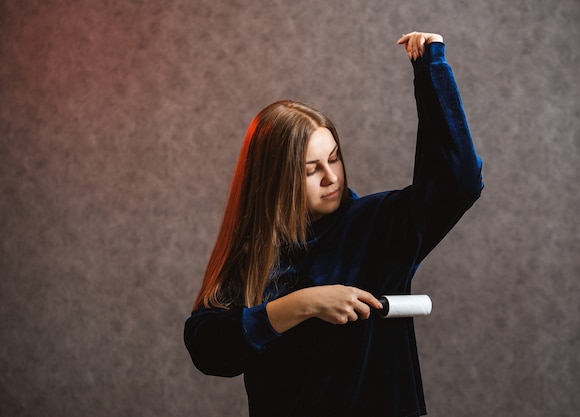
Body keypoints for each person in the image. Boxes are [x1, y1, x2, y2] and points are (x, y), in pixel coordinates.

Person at [184, 31, 483, 417]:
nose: (331, 177)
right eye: (311, 170)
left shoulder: (380, 226)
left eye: (335, 158)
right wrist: (302, 304)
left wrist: (431, 69)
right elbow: (206, 347)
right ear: (275, 180)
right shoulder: (254, 253)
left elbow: (459, 182)